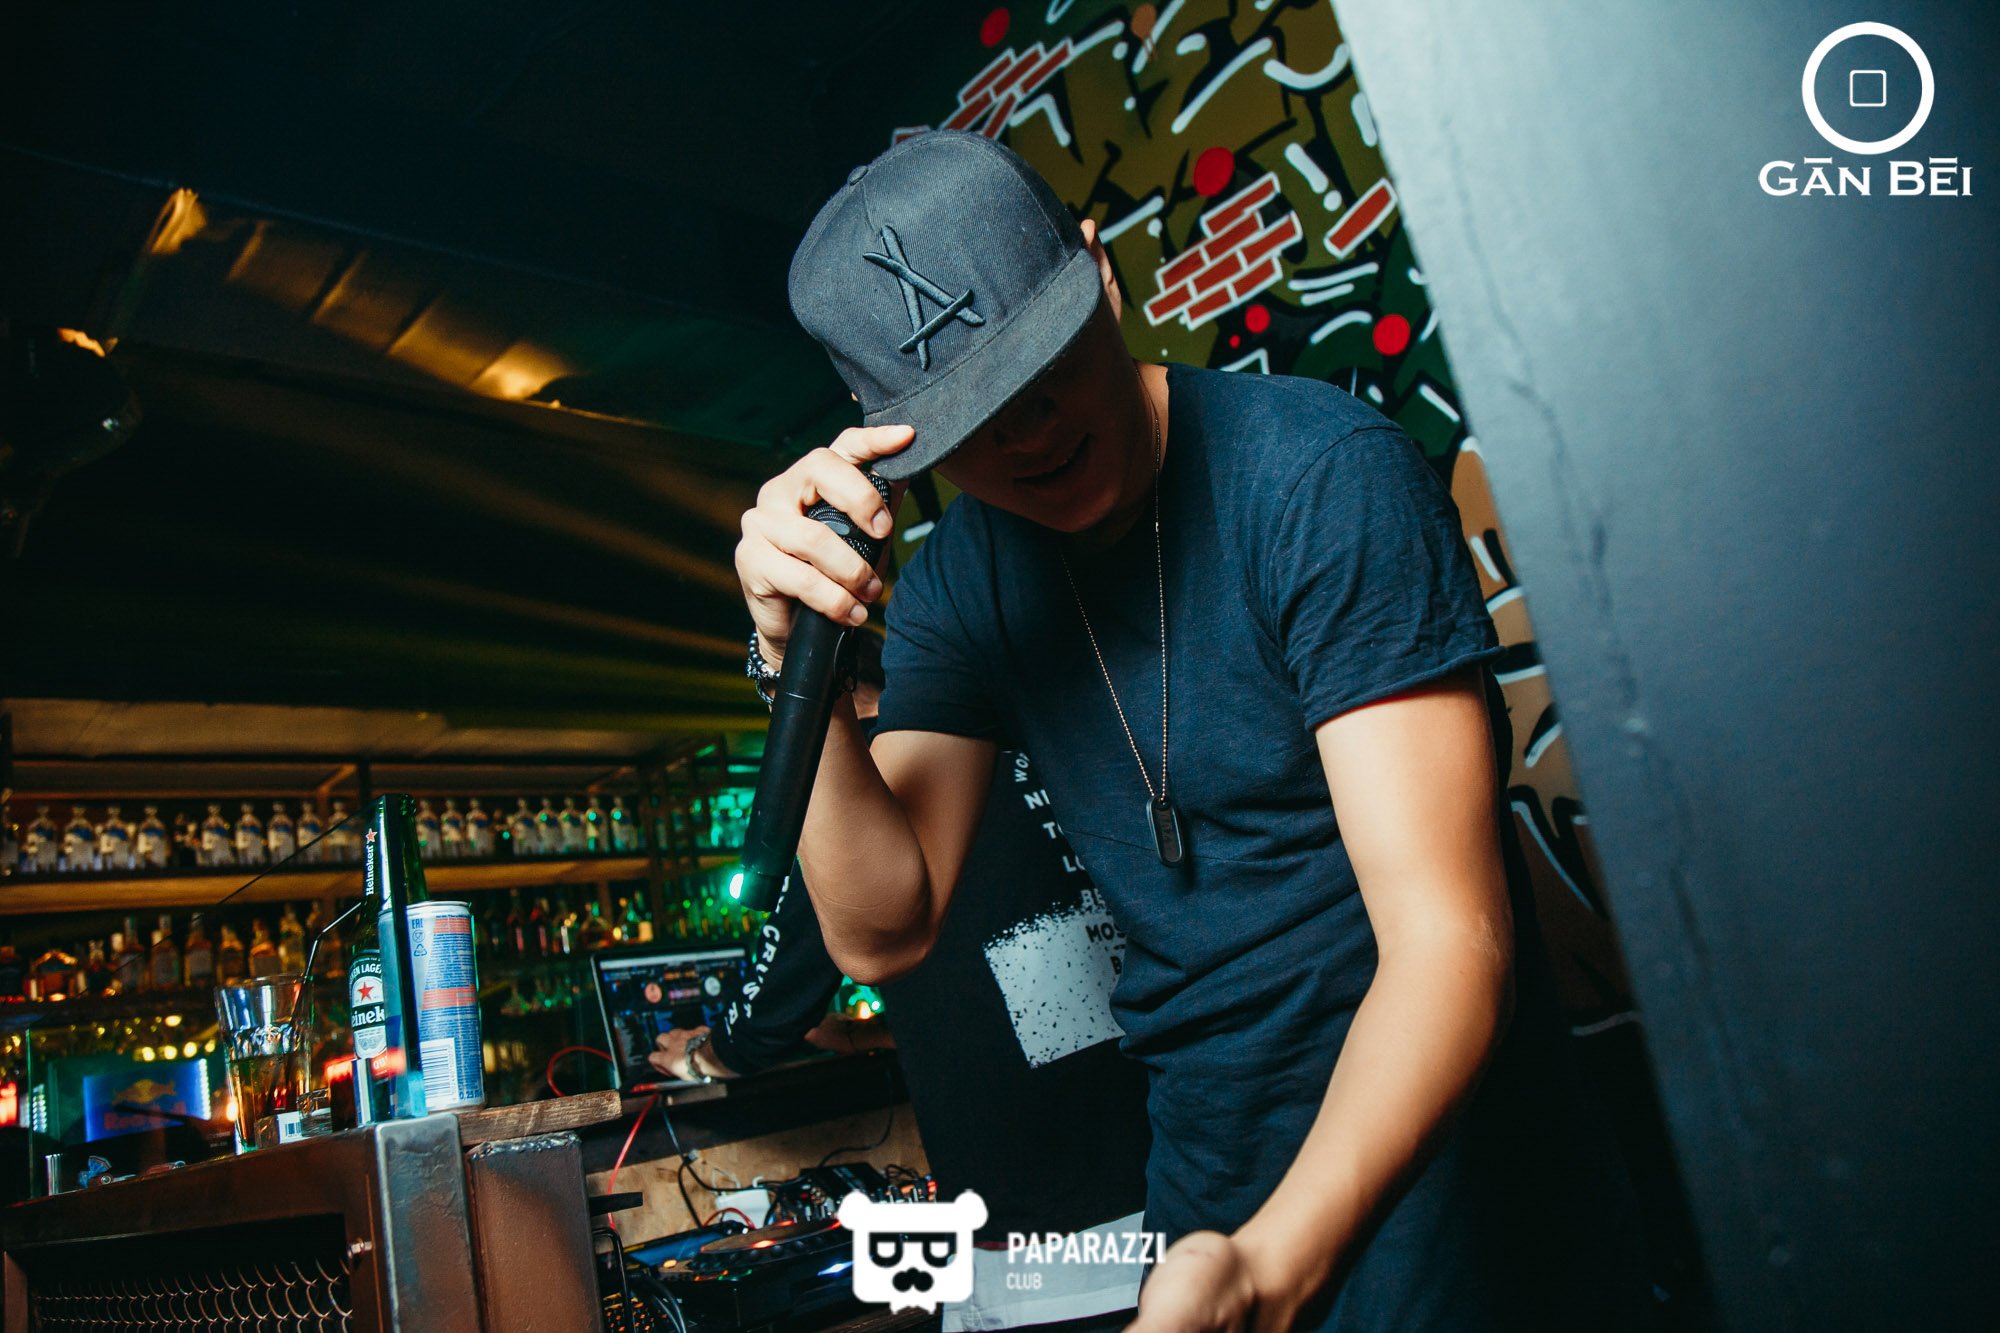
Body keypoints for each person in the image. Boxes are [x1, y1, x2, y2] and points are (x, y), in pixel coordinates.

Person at [734, 131, 1651, 1331]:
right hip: (1206, 1187)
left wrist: (1273, 1265)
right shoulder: (961, 578)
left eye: (1041, 361)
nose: (1026, 430)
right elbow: (883, 929)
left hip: (1443, 1157)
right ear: (884, 440)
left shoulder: (1318, 477)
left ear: (1101, 277)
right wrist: (789, 655)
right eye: (968, 417)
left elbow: (1447, 942)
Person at [652, 631, 1154, 1333]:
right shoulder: (1028, 743)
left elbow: (775, 1001)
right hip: (1179, 1198)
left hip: (1048, 1251)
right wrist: (871, 1035)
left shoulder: (862, 791)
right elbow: (1032, 960)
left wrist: (702, 1055)